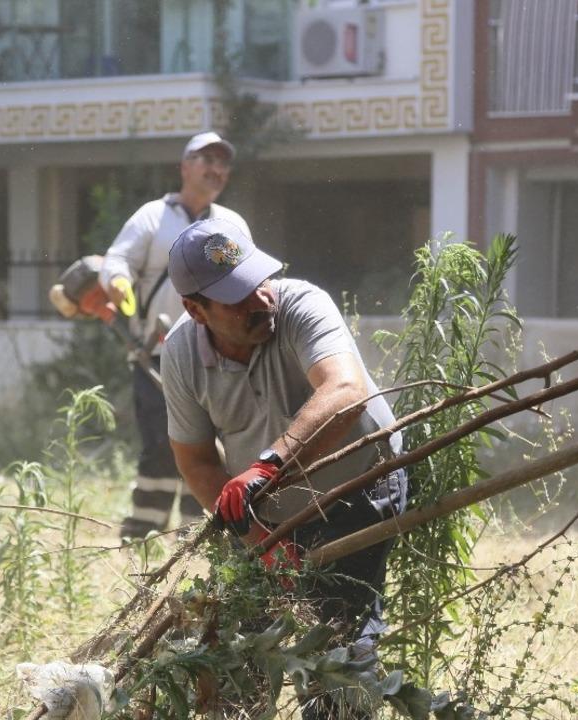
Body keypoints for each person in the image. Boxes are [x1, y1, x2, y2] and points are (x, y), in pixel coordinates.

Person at [161, 217, 407, 719]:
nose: (259, 301)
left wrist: (268, 467)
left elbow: (346, 392)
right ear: (195, 309)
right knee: (235, 653)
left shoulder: (301, 304)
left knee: (335, 657)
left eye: (258, 281)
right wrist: (261, 543)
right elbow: (198, 461)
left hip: (358, 486)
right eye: (236, 297)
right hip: (265, 514)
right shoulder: (181, 354)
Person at [96, 131, 252, 539]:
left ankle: (195, 537)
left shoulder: (230, 224)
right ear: (185, 167)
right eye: (206, 160)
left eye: (222, 163)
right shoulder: (152, 216)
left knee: (214, 447)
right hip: (157, 353)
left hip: (216, 356)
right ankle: (142, 536)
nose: (215, 170)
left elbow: (249, 278)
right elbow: (117, 260)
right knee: (162, 446)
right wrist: (118, 283)